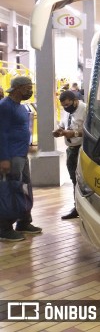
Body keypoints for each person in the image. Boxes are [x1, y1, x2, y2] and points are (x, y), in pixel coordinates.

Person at [0, 76, 42, 241]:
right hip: (9, 157)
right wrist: (3, 158)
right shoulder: (4, 106)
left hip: (21, 155)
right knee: (8, 190)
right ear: (17, 88)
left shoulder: (21, 107)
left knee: (24, 189)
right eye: (28, 87)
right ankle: (4, 227)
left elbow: (22, 129)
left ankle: (24, 222)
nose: (30, 90)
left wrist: (29, 147)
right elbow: (1, 133)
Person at [53, 90, 86, 220]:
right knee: (74, 179)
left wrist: (75, 134)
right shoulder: (67, 111)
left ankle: (83, 208)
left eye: (68, 105)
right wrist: (59, 130)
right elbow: (63, 124)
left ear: (75, 100)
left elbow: (91, 130)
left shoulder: (85, 109)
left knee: (81, 180)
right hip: (71, 149)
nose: (66, 108)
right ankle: (76, 207)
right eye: (63, 106)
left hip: (82, 149)